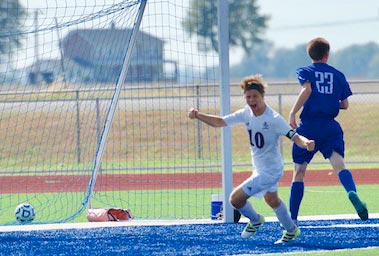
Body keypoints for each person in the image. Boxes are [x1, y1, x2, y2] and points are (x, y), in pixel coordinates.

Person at [188, 74, 315, 244]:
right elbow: (220, 122)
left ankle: (255, 220)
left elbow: (295, 136)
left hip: (271, 170)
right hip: (260, 168)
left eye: (255, 96)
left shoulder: (274, 119)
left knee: (234, 199)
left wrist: (306, 143)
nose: (251, 100)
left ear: (262, 96)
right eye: (248, 97)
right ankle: (292, 230)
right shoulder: (246, 113)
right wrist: (198, 115)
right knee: (272, 199)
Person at [288, 37, 369, 225]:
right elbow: (345, 104)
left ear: (310, 54)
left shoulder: (305, 71)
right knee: (339, 164)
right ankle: (352, 193)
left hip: (308, 125)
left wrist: (292, 112)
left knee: (299, 171)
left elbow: (307, 90)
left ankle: (292, 219)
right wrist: (329, 102)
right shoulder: (338, 74)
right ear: (327, 54)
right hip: (329, 126)